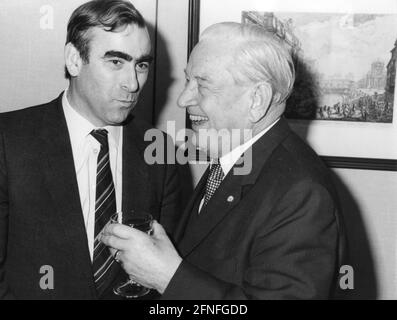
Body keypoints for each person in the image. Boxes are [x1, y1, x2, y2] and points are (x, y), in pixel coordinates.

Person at [102, 22, 346, 299]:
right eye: (188, 81)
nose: (183, 99)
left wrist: (167, 276)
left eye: (202, 85)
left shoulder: (302, 193)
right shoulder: (233, 158)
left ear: (257, 100)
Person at [0, 0, 180, 300]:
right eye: (115, 62)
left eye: (142, 65)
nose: (133, 83)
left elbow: (164, 277)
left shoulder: (160, 150)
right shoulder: (8, 140)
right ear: (74, 60)